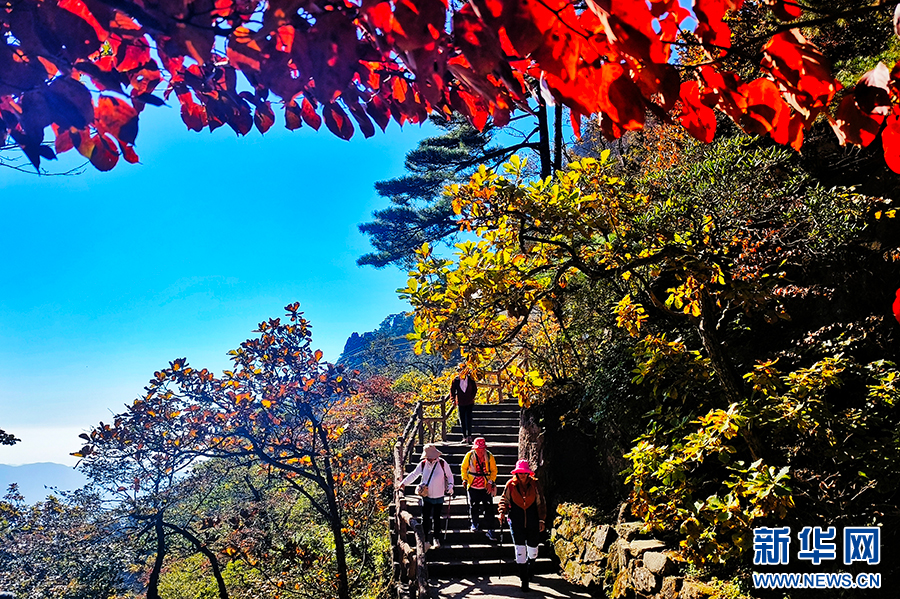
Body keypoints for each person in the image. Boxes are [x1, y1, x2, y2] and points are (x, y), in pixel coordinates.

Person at [498, 460, 546, 592]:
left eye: (524, 472)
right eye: (520, 473)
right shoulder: (511, 485)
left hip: (533, 520)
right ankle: (524, 580)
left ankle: (530, 568)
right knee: (520, 551)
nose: (522, 475)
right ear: (516, 473)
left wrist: (541, 520)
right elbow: (504, 499)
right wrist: (502, 512)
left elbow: (541, 502)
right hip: (516, 521)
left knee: (533, 550)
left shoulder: (535, 484)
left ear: (528, 473)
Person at [399, 443, 454, 550]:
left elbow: (449, 476)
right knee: (425, 518)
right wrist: (404, 483)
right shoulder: (423, 464)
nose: (428, 458)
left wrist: (450, 486)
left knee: (437, 518)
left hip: (439, 495)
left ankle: (436, 539)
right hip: (426, 496)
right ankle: (425, 541)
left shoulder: (442, 463)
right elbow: (414, 474)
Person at [461, 437, 498, 540]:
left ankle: (490, 529)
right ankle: (474, 523)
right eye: (478, 449)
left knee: (488, 508)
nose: (480, 452)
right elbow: (463, 468)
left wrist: (490, 482)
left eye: (482, 449)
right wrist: (464, 479)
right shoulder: (469, 456)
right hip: (473, 485)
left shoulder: (489, 456)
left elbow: (494, 470)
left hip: (486, 486)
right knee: (474, 506)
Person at [450, 365, 477, 443]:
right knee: (462, 420)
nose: (461, 372)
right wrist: (453, 400)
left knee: (469, 419)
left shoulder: (471, 379)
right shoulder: (456, 380)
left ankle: (469, 436)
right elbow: (452, 391)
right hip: (461, 402)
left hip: (469, 402)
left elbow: (475, 389)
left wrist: (472, 397)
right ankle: (464, 436)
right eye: (459, 371)